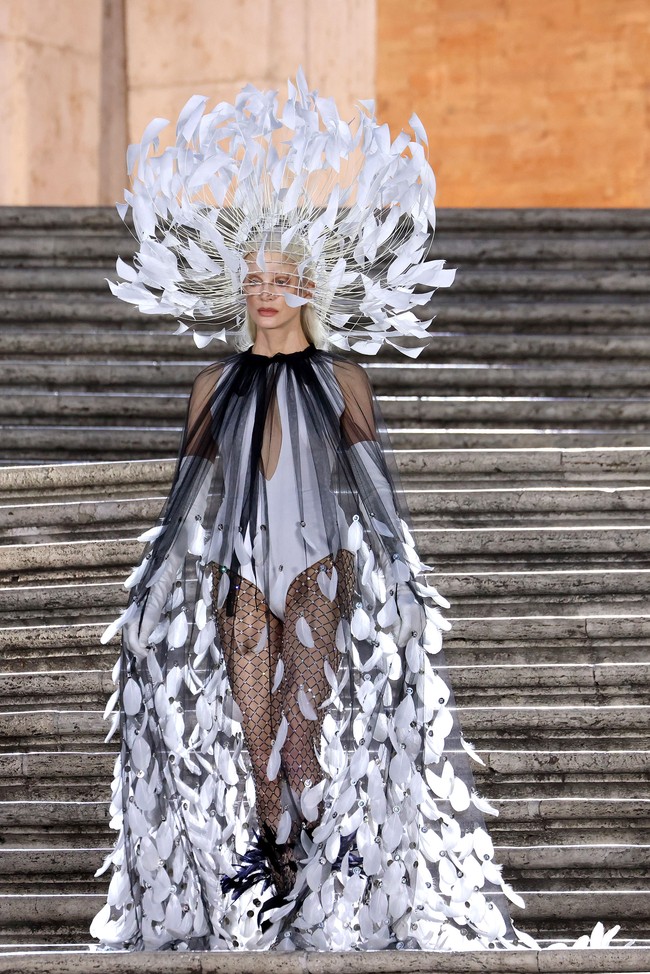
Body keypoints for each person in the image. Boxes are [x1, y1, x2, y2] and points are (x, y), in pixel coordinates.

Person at [90, 74, 535, 953]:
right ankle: (276, 857)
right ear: (238, 286)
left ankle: (314, 870)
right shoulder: (212, 386)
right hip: (237, 571)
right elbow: (183, 505)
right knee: (255, 732)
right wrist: (146, 591)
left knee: (305, 733)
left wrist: (405, 582)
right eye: (254, 278)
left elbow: (374, 492)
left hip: (321, 566)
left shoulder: (341, 382)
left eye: (282, 279)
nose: (266, 293)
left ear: (306, 288)